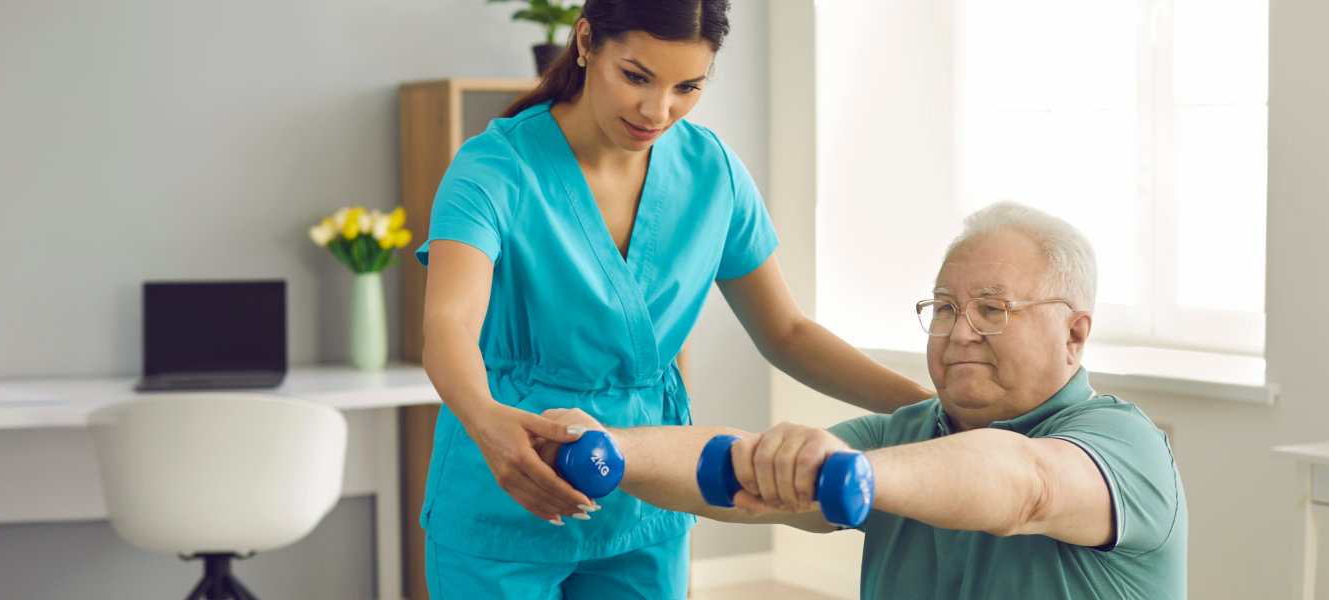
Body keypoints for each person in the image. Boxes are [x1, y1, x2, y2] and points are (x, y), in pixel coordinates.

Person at [414, 0, 934, 597]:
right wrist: (487, 425)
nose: (657, 110)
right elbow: (450, 322)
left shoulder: (713, 173)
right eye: (636, 76)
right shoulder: (494, 168)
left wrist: (931, 411)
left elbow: (786, 332)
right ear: (586, 42)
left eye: (688, 86)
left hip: (648, 491)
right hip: (508, 484)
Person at [540, 202, 1189, 599]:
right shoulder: (906, 433)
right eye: (944, 308)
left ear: (1075, 334)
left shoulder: (1123, 446)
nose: (960, 331)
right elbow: (737, 472)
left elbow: (1027, 485)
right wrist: (612, 449)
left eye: (992, 309)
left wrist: (858, 474)